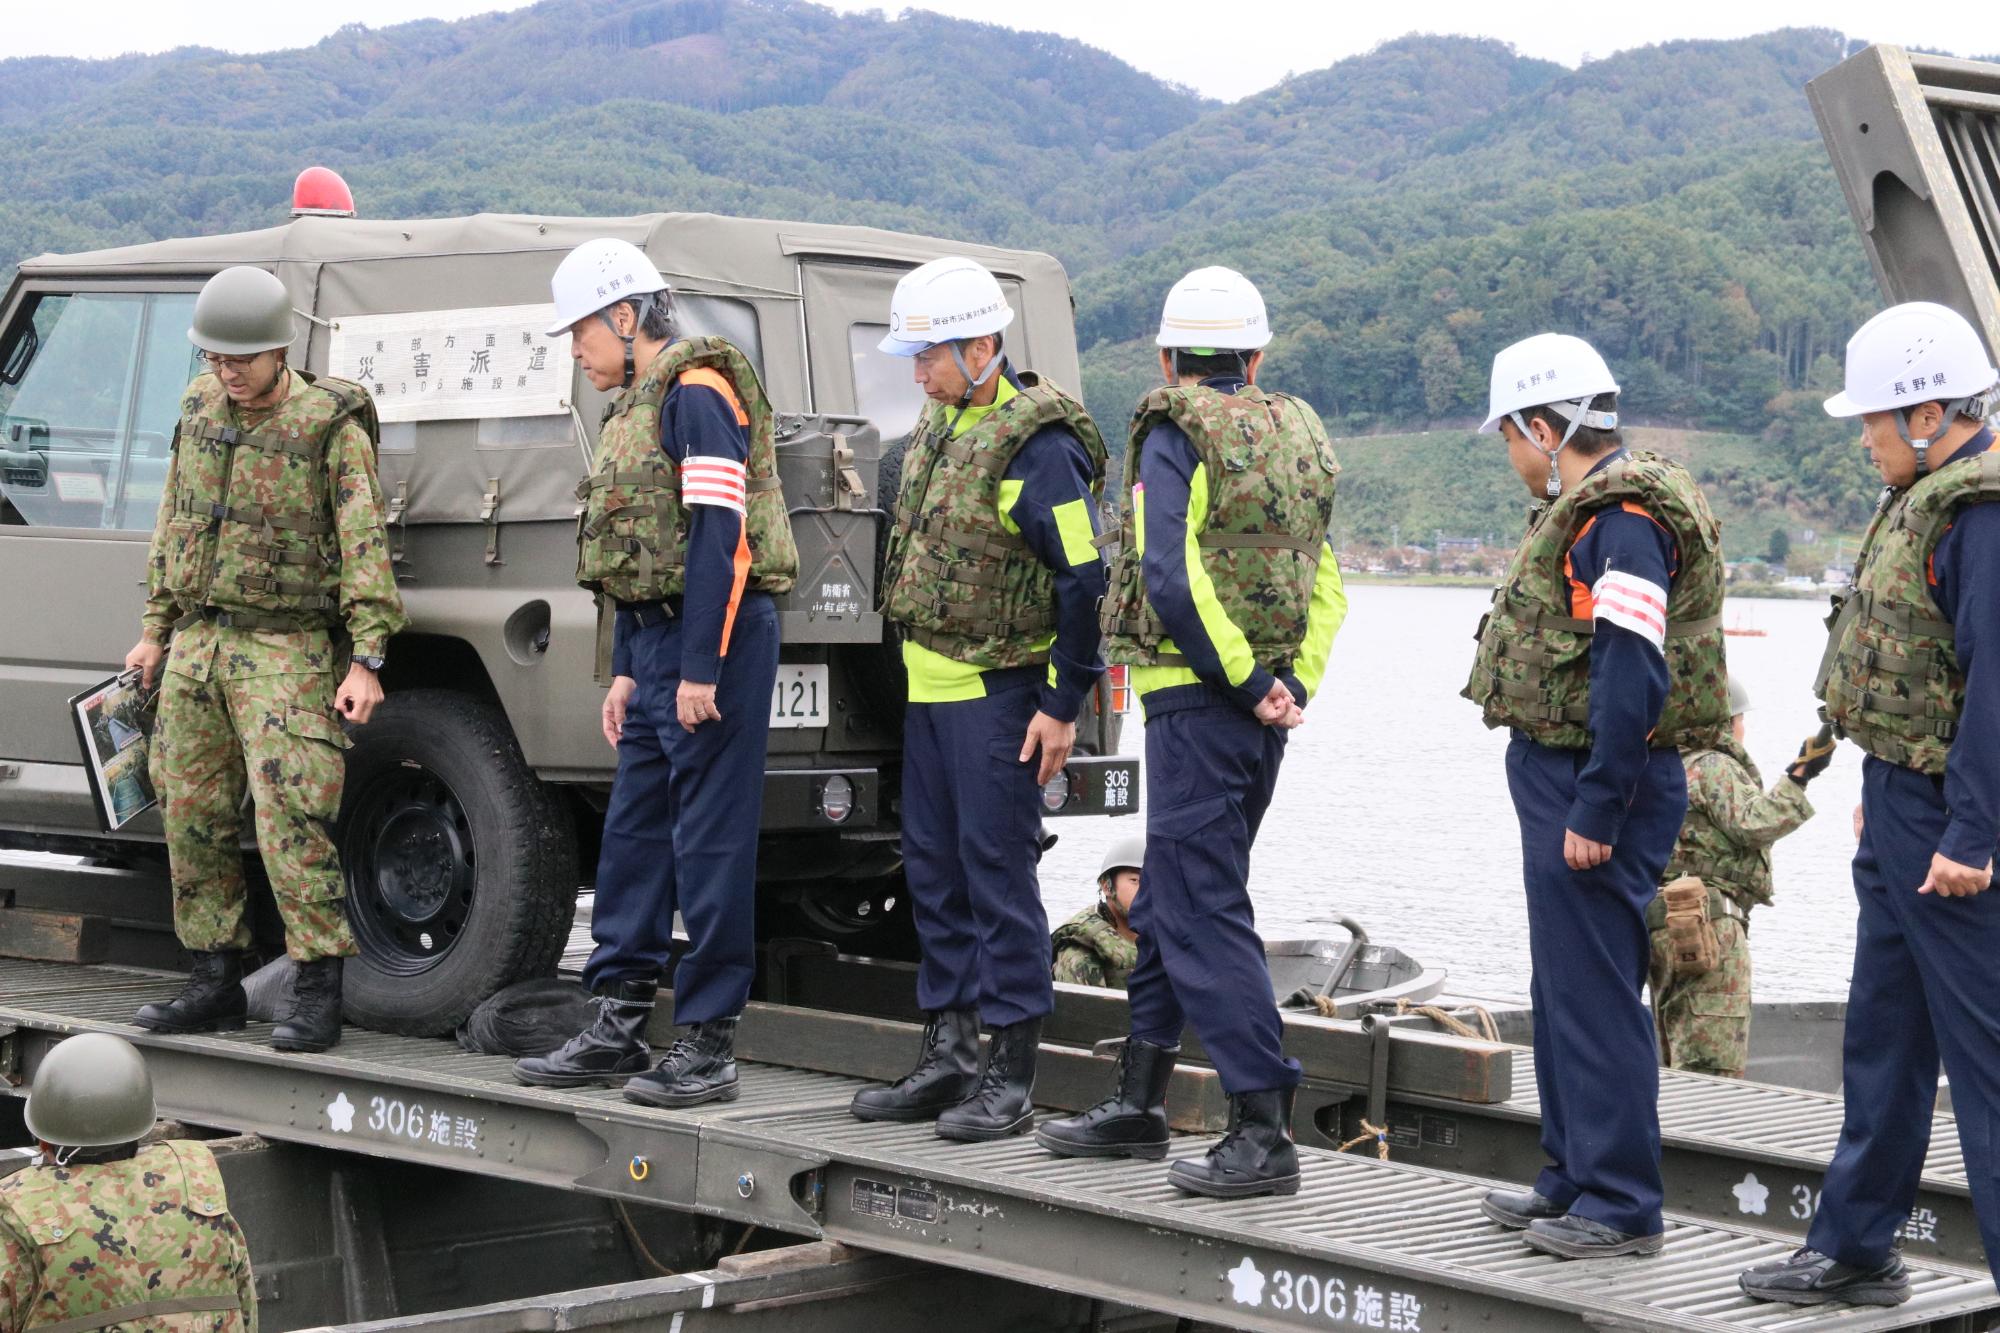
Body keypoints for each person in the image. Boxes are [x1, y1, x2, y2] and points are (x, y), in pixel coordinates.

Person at [1037, 267, 1346, 1196]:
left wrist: (1246, 682)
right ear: (1254, 358)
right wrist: (1289, 687)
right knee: (1175, 896)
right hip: (1260, 713)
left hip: (1195, 703)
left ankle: (1263, 1127)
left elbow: (1167, 576)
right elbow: (1326, 582)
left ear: (1169, 358)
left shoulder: (1174, 435)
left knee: (1204, 907)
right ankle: (1138, 1101)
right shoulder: (1296, 439)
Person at [1740, 302, 2000, 1309]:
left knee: (1983, 1066)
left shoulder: (1978, 512)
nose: (1863, 439)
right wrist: (1878, 786)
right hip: (1902, 803)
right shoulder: (1924, 494)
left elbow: (1993, 685)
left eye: (1874, 420)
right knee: (1882, 1035)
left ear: (1929, 413)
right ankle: (1853, 1246)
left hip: (1953, 824)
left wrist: (1973, 831)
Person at [1462, 332, 1729, 1259]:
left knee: (1601, 993)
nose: (1513, 456)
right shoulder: (1593, 510)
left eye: (1512, 437)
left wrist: (1599, 804)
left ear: (1547, 426)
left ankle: (1620, 1202)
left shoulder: (1619, 519)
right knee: (1563, 987)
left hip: (1596, 780)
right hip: (1564, 771)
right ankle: (1570, 1175)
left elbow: (1632, 668)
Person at [514, 238, 797, 1107]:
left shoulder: (698, 393)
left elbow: (721, 535)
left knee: (709, 843)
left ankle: (709, 1045)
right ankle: (618, 1019)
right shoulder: (635, 403)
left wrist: (701, 668)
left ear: (626, 318)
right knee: (634, 833)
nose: (576, 351)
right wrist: (630, 672)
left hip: (713, 640)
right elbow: (639, 559)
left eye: (581, 333)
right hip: (656, 641)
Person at [849, 256, 1108, 1142]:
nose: (915, 372)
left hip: (1000, 699)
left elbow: (1084, 575)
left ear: (981, 345)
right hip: (930, 691)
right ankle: (950, 1050)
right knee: (934, 872)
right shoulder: (942, 421)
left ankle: (1012, 1069)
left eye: (926, 355)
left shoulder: (1038, 447)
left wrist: (1063, 702)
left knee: (998, 877)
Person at [124, 266, 406, 1053]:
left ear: (280, 347)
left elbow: (362, 545)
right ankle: (214, 975)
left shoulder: (328, 426)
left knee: (292, 815)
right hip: (200, 642)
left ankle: (317, 984)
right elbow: (175, 523)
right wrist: (156, 629)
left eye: (241, 358)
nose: (227, 371)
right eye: (215, 357)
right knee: (188, 805)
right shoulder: (198, 409)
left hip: (285, 647)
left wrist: (367, 657)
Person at [1, 1033, 256, 1333]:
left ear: (43, 1138)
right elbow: (245, 1310)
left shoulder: (20, 1207)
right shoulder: (196, 1183)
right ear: (143, 1124)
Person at [1647, 677, 1830, 1078]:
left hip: (1663, 927)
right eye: (1740, 719)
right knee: (1710, 1065)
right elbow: (1754, 823)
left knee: (1675, 1052)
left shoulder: (1657, 769)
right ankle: (1703, 1134)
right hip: (1708, 926)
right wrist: (1800, 774)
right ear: (1726, 723)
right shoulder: (1713, 765)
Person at [1052, 834, 1144, 988]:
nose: (1146, 890)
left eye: (1153, 880)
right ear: (1107, 886)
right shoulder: (1080, 954)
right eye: (1135, 881)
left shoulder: (1168, 938)